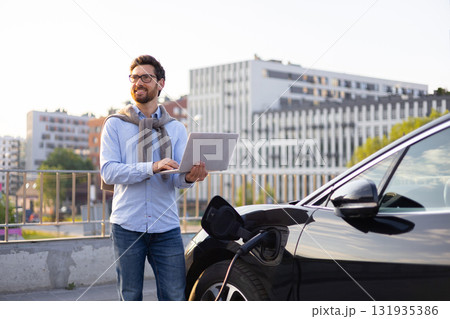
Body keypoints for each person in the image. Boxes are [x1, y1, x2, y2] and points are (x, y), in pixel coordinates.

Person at [100, 55, 208, 301]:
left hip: (166, 227)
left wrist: (191, 177)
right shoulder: (115, 125)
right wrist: (151, 166)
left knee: (174, 297)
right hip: (127, 225)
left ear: (160, 84)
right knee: (130, 297)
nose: (139, 82)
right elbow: (109, 171)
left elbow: (176, 179)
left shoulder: (176, 129)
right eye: (135, 77)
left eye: (146, 77)